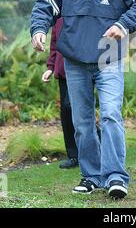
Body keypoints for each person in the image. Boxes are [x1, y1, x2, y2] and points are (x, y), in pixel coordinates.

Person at [31, 0, 136, 199]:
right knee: (83, 123)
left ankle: (115, 177)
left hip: (108, 58)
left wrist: (123, 25)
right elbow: (45, 5)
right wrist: (39, 29)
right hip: (74, 60)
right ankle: (91, 176)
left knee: (111, 115)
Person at [42, 18, 79, 169]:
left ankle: (99, 142)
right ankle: (73, 156)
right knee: (66, 111)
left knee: (73, 107)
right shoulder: (59, 16)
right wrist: (51, 67)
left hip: (80, 70)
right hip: (63, 72)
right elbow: (54, 43)